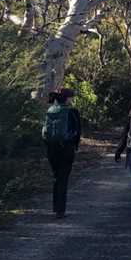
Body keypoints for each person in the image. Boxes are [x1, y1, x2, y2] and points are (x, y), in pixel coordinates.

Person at [41, 88, 82, 218]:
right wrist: (75, 146)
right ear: (67, 98)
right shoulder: (72, 111)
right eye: (71, 97)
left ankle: (55, 207)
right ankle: (60, 210)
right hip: (66, 149)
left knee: (56, 177)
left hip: (51, 149)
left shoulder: (50, 110)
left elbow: (45, 132)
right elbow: (77, 131)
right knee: (63, 179)